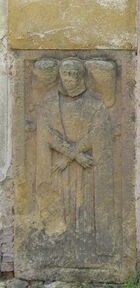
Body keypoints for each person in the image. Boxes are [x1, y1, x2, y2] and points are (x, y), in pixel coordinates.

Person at [35, 58, 114, 259]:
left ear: (81, 76)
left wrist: (72, 156)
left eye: (73, 74)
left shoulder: (95, 104)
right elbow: (47, 134)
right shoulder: (50, 103)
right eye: (65, 74)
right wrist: (74, 156)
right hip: (61, 166)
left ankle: (86, 250)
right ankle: (60, 247)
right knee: (60, 202)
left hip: (85, 167)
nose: (68, 79)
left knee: (84, 205)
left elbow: (98, 132)